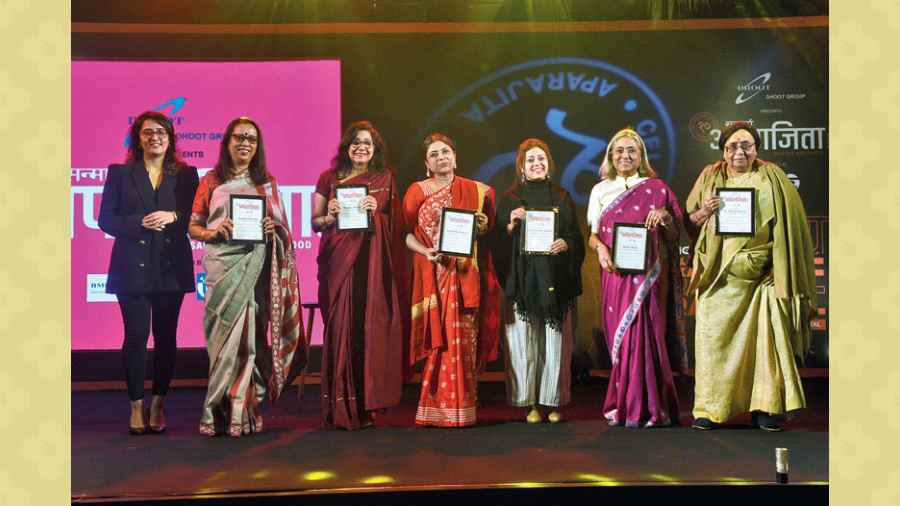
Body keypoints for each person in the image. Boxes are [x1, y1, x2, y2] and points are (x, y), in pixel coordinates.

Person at [685, 121, 816, 432]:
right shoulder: (710, 176)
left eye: (746, 145)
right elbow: (688, 222)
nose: (739, 152)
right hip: (718, 276)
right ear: (723, 151)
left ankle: (765, 410)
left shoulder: (773, 177)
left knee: (765, 346)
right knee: (712, 341)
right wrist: (704, 212)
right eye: (732, 146)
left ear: (757, 149)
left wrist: (779, 270)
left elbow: (791, 230)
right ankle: (709, 409)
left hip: (761, 277)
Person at [189, 117, 305, 437]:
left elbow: (283, 231)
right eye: (238, 137)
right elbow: (194, 226)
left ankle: (244, 410)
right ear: (226, 142)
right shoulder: (211, 180)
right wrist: (213, 232)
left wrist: (273, 230)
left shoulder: (266, 182)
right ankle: (215, 409)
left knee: (250, 340)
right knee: (222, 344)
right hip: (221, 268)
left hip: (254, 269)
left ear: (257, 146)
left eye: (251, 139)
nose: (244, 143)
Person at [99, 111, 199, 435]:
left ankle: (158, 403)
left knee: (166, 339)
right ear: (137, 138)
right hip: (132, 268)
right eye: (147, 132)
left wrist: (171, 215)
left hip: (171, 266)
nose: (154, 137)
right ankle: (135, 407)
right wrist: (138, 222)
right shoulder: (119, 173)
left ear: (170, 139)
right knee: (136, 338)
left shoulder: (186, 175)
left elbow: (193, 218)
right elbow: (106, 220)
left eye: (161, 132)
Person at [586, 127, 687, 428]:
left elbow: (674, 233)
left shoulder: (657, 188)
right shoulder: (600, 190)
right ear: (610, 156)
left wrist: (665, 216)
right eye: (619, 150)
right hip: (615, 274)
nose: (625, 156)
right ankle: (623, 404)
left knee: (647, 335)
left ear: (641, 156)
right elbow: (592, 236)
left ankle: (652, 407)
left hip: (648, 279)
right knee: (622, 336)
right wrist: (601, 250)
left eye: (632, 150)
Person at [312, 121, 406, 430]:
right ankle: (340, 404)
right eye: (355, 142)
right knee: (341, 329)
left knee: (368, 331)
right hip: (339, 266)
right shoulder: (328, 179)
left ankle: (367, 405)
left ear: (375, 149)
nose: (361, 146)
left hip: (372, 267)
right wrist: (331, 215)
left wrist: (376, 211)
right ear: (346, 147)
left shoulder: (384, 179)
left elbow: (398, 228)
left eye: (367, 142)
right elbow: (316, 223)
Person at [402, 133, 500, 427]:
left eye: (446, 152)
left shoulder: (478, 191)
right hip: (434, 275)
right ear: (427, 163)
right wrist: (425, 252)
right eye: (434, 154)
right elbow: (404, 235)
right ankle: (435, 407)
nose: (441, 157)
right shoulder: (417, 191)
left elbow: (483, 231)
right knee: (439, 342)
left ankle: (464, 409)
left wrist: (481, 226)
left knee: (464, 342)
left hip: (466, 275)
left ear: (455, 157)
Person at [495, 138, 584, 424]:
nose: (537, 164)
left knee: (554, 344)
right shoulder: (510, 198)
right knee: (524, 343)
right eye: (531, 160)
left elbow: (575, 237)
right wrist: (511, 224)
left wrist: (565, 244)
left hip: (555, 278)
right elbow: (496, 242)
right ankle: (529, 403)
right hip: (522, 281)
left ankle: (553, 401)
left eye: (541, 159)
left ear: (549, 164)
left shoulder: (562, 196)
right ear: (521, 166)